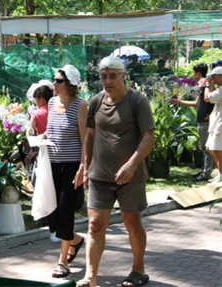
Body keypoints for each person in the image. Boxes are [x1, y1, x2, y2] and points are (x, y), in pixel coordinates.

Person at [77, 56, 155, 287]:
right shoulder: (96, 101)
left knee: (132, 222)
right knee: (95, 225)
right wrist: (85, 167)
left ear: (123, 76)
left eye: (113, 76)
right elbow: (89, 137)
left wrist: (131, 165)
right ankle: (90, 277)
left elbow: (149, 136)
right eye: (103, 76)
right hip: (100, 175)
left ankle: (138, 269)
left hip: (131, 177)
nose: (108, 81)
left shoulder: (137, 101)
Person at [42, 65, 87, 278]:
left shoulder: (80, 105)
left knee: (65, 211)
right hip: (51, 163)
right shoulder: (51, 102)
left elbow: (86, 139)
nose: (54, 84)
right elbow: (51, 130)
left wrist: (82, 168)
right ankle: (75, 240)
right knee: (50, 211)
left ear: (70, 84)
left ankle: (62, 262)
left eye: (59, 81)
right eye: (54, 80)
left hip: (71, 165)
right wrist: (39, 137)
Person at [169, 63, 213, 181]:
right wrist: (179, 101)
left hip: (206, 121)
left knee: (207, 148)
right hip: (201, 121)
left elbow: (213, 99)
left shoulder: (208, 84)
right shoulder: (202, 86)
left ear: (199, 73)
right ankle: (205, 171)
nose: (193, 75)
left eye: (194, 73)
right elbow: (196, 104)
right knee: (204, 148)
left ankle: (206, 173)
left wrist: (212, 114)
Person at [204, 66, 222, 184]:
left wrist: (207, 85)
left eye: (213, 77)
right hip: (216, 122)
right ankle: (220, 173)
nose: (212, 79)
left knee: (218, 150)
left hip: (220, 124)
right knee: (210, 148)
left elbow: (207, 98)